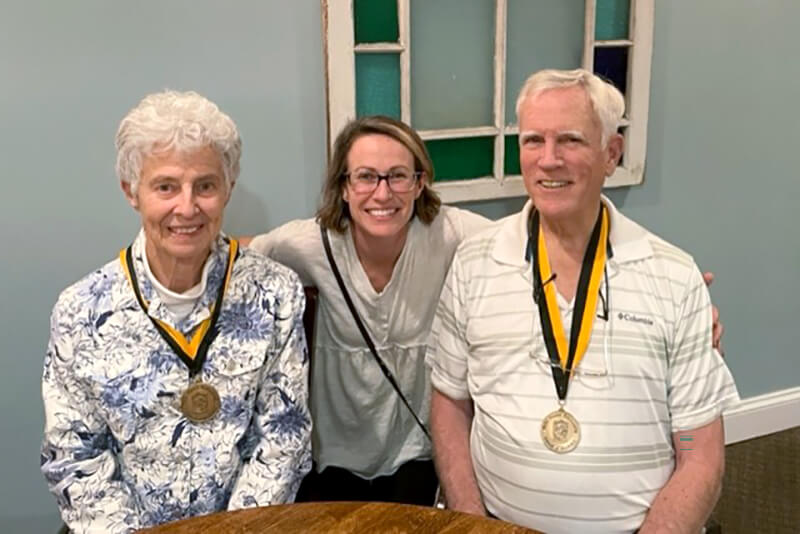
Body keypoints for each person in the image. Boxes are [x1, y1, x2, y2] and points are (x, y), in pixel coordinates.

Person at [427, 69, 740, 534]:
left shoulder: (674, 277)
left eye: (570, 141)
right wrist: (473, 523)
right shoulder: (474, 262)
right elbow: (450, 404)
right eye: (533, 141)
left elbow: (700, 452)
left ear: (611, 153)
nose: (548, 160)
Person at [41, 90, 311, 533]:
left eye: (205, 186)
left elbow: (284, 440)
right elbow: (74, 457)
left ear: (228, 190)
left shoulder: (275, 293)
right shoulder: (81, 311)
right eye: (166, 186)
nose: (187, 207)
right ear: (132, 191)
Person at [243, 116, 492, 504]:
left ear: (419, 182)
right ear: (343, 187)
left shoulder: (448, 234)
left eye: (397, 176)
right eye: (366, 177)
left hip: (417, 447)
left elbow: (522, 242)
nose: (382, 193)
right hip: (332, 453)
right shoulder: (307, 244)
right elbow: (237, 256)